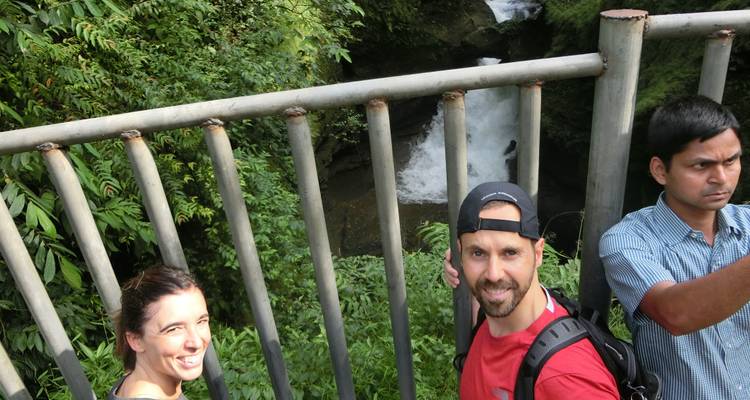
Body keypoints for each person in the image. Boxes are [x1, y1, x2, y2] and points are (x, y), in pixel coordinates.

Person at [599, 95, 749, 399]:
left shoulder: (747, 224)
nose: (720, 178)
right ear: (660, 170)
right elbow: (675, 313)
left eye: (731, 161)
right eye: (701, 165)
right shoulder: (628, 241)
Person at [450, 181, 618, 399]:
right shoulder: (495, 312)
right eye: (478, 253)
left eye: (509, 253)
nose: (493, 274)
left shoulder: (567, 378)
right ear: (461, 254)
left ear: (538, 254)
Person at [109, 266, 210, 400]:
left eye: (201, 321)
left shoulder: (133, 381)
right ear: (135, 340)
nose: (196, 342)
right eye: (173, 329)